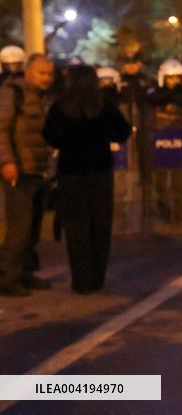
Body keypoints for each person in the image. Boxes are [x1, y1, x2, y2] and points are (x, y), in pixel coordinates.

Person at [42, 66, 131, 294]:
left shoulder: (60, 107)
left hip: (70, 171)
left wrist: (66, 142)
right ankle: (97, 277)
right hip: (100, 170)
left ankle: (81, 281)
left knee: (76, 227)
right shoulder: (103, 105)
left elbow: (48, 135)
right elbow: (122, 132)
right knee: (100, 225)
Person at [0, 53, 55, 296]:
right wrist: (8, 161)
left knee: (33, 227)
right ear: (28, 73)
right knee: (19, 227)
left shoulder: (43, 97)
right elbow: (1, 129)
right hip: (19, 170)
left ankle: (25, 272)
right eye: (42, 73)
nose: (47, 78)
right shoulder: (13, 93)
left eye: (50, 74)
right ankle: (7, 278)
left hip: (38, 169)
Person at [145, 58, 182, 227]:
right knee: (160, 181)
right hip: (160, 142)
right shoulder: (154, 94)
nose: (173, 82)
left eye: (177, 78)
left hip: (180, 141)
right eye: (170, 78)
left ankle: (179, 213)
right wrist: (169, 97)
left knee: (179, 181)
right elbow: (152, 99)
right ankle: (165, 213)